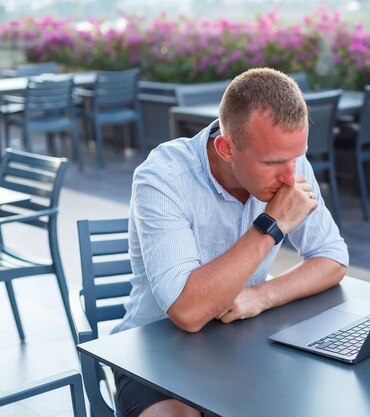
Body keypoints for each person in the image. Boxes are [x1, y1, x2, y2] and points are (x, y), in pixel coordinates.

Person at [111, 68, 349, 417]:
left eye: (296, 156)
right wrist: (272, 223)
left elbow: (332, 257)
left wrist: (260, 296)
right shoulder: (163, 177)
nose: (289, 176)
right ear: (226, 148)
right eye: (271, 163)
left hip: (241, 339)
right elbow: (187, 313)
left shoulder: (289, 163)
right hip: (155, 351)